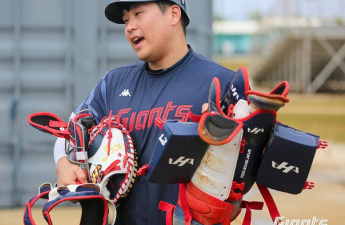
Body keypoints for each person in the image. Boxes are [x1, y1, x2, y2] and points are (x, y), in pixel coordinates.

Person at [53, 0, 235, 224]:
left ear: (173, 14)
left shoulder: (221, 83)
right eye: (126, 19)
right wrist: (64, 162)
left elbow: (246, 171)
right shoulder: (113, 84)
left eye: (138, 13)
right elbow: (69, 133)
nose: (130, 26)